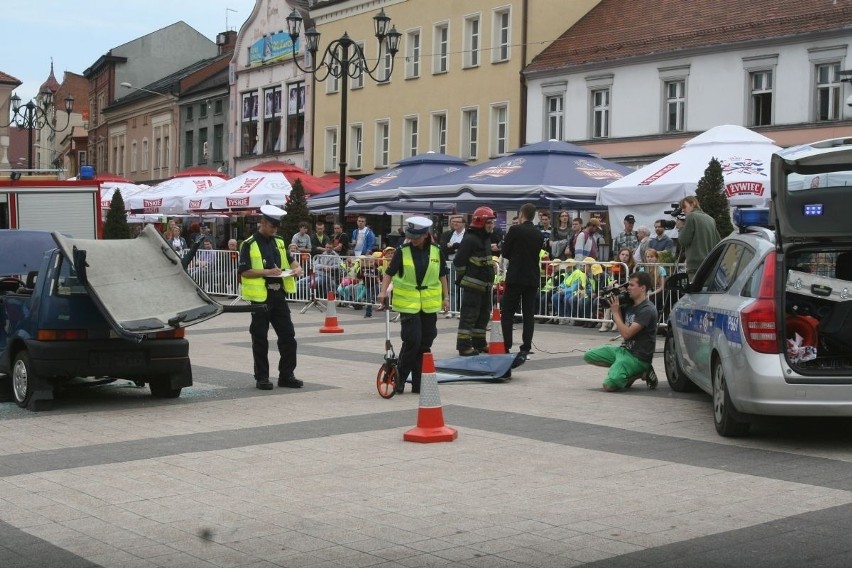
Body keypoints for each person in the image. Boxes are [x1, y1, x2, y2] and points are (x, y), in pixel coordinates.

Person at [377, 216, 450, 394]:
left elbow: (442, 275)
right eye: (410, 237)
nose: (412, 240)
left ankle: (418, 382)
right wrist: (383, 291)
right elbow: (389, 272)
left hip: (429, 303)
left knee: (426, 342)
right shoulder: (402, 251)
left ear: (425, 235)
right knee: (412, 341)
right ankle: (399, 378)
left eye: (416, 237)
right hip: (408, 304)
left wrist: (446, 297)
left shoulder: (436, 251)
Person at [238, 204, 305, 390]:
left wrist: (297, 268)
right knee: (259, 338)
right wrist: (267, 272)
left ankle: (286, 375)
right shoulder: (249, 244)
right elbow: (244, 271)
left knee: (288, 336)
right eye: (271, 226)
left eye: (276, 227)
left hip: (278, 295)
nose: (274, 230)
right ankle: (262, 377)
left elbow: (290, 259)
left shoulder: (280, 241)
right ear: (263, 223)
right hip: (260, 298)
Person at [583, 271, 659, 392]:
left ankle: (642, 371)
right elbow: (619, 320)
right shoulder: (629, 303)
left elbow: (627, 334)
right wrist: (614, 293)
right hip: (624, 350)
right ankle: (622, 371)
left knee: (609, 385)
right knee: (588, 355)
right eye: (628, 284)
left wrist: (614, 312)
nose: (628, 288)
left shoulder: (647, 310)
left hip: (638, 357)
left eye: (632, 285)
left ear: (643, 288)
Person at [500, 203, 543, 357]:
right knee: (528, 313)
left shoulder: (515, 230)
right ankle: (526, 346)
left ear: (521, 214)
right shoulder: (538, 234)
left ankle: (506, 344)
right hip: (531, 277)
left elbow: (505, 252)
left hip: (516, 275)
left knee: (508, 311)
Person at [453, 207, 496, 356]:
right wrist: (464, 277)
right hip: (473, 286)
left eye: (492, 222)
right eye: (489, 222)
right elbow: (458, 262)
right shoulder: (471, 239)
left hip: (484, 287)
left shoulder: (484, 238)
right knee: (469, 316)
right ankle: (464, 346)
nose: (492, 225)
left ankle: (479, 343)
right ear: (480, 222)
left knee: (483, 316)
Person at [678, 196, 720, 280]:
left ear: (693, 204)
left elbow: (683, 241)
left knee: (695, 292)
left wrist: (681, 227)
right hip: (710, 265)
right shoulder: (710, 219)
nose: (682, 210)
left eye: (684, 207)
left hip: (696, 267)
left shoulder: (691, 216)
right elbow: (718, 241)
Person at [439, 216, 466, 318]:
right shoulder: (447, 234)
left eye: (457, 222)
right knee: (453, 288)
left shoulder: (467, 234)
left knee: (463, 288)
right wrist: (455, 248)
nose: (455, 224)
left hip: (463, 264)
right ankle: (452, 310)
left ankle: (462, 311)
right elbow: (443, 247)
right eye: (453, 222)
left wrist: (454, 246)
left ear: (463, 223)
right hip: (451, 263)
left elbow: (464, 247)